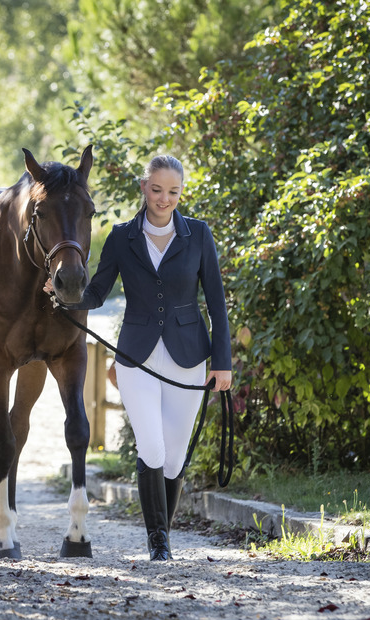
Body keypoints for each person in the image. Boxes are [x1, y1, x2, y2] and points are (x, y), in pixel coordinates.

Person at [45, 154, 231, 561]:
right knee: (152, 448)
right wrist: (63, 293)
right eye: (158, 189)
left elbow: (216, 303)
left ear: (181, 193)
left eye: (174, 191)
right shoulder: (121, 236)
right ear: (144, 187)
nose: (165, 199)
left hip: (189, 356)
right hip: (136, 358)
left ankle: (161, 532)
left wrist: (223, 363)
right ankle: (158, 542)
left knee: (175, 456)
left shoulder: (198, 235)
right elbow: (97, 293)